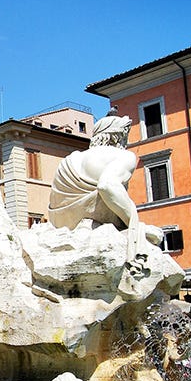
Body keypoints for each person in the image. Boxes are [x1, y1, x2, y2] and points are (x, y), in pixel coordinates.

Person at [48, 111, 162, 272]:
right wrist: (134, 225)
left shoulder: (70, 159)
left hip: (63, 226)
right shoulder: (123, 156)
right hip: (100, 226)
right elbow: (107, 186)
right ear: (118, 136)